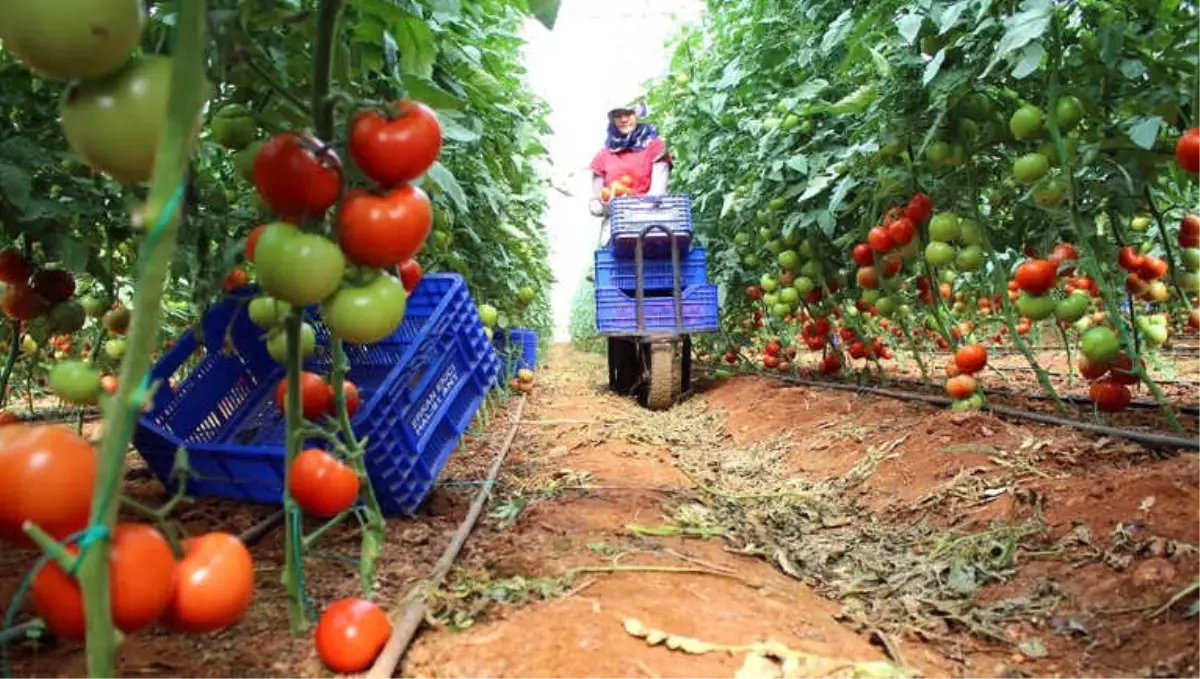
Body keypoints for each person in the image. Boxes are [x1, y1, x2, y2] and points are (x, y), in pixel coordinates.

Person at [588, 102, 671, 244]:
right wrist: (603, 206)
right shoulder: (602, 156)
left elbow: (658, 193)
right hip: (617, 230)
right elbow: (596, 202)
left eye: (629, 113)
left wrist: (629, 207)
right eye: (617, 115)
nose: (623, 119)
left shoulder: (655, 146)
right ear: (612, 119)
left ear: (638, 114)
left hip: (652, 226)